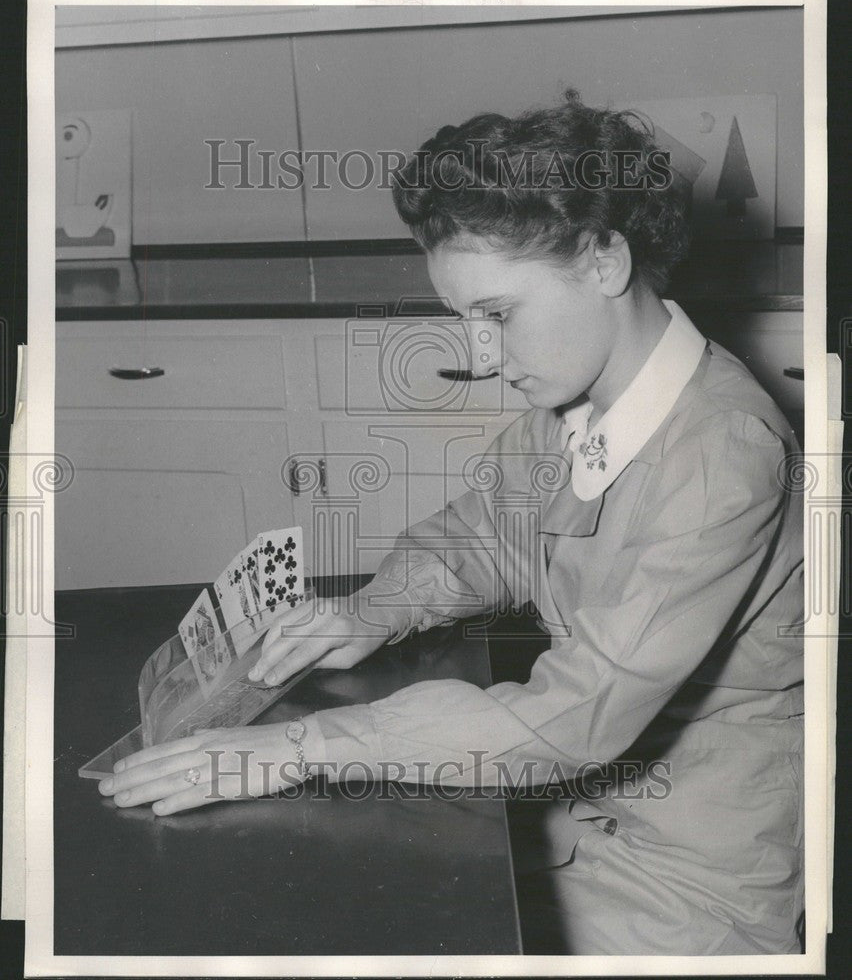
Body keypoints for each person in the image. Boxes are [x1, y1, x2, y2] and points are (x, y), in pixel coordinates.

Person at [99, 89, 804, 955]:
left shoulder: (719, 454)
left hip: (691, 876)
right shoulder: (584, 403)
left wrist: (304, 744)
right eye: (464, 320)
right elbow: (485, 536)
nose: (480, 355)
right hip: (582, 815)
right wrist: (375, 607)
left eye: (497, 315)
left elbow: (574, 717)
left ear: (603, 263)